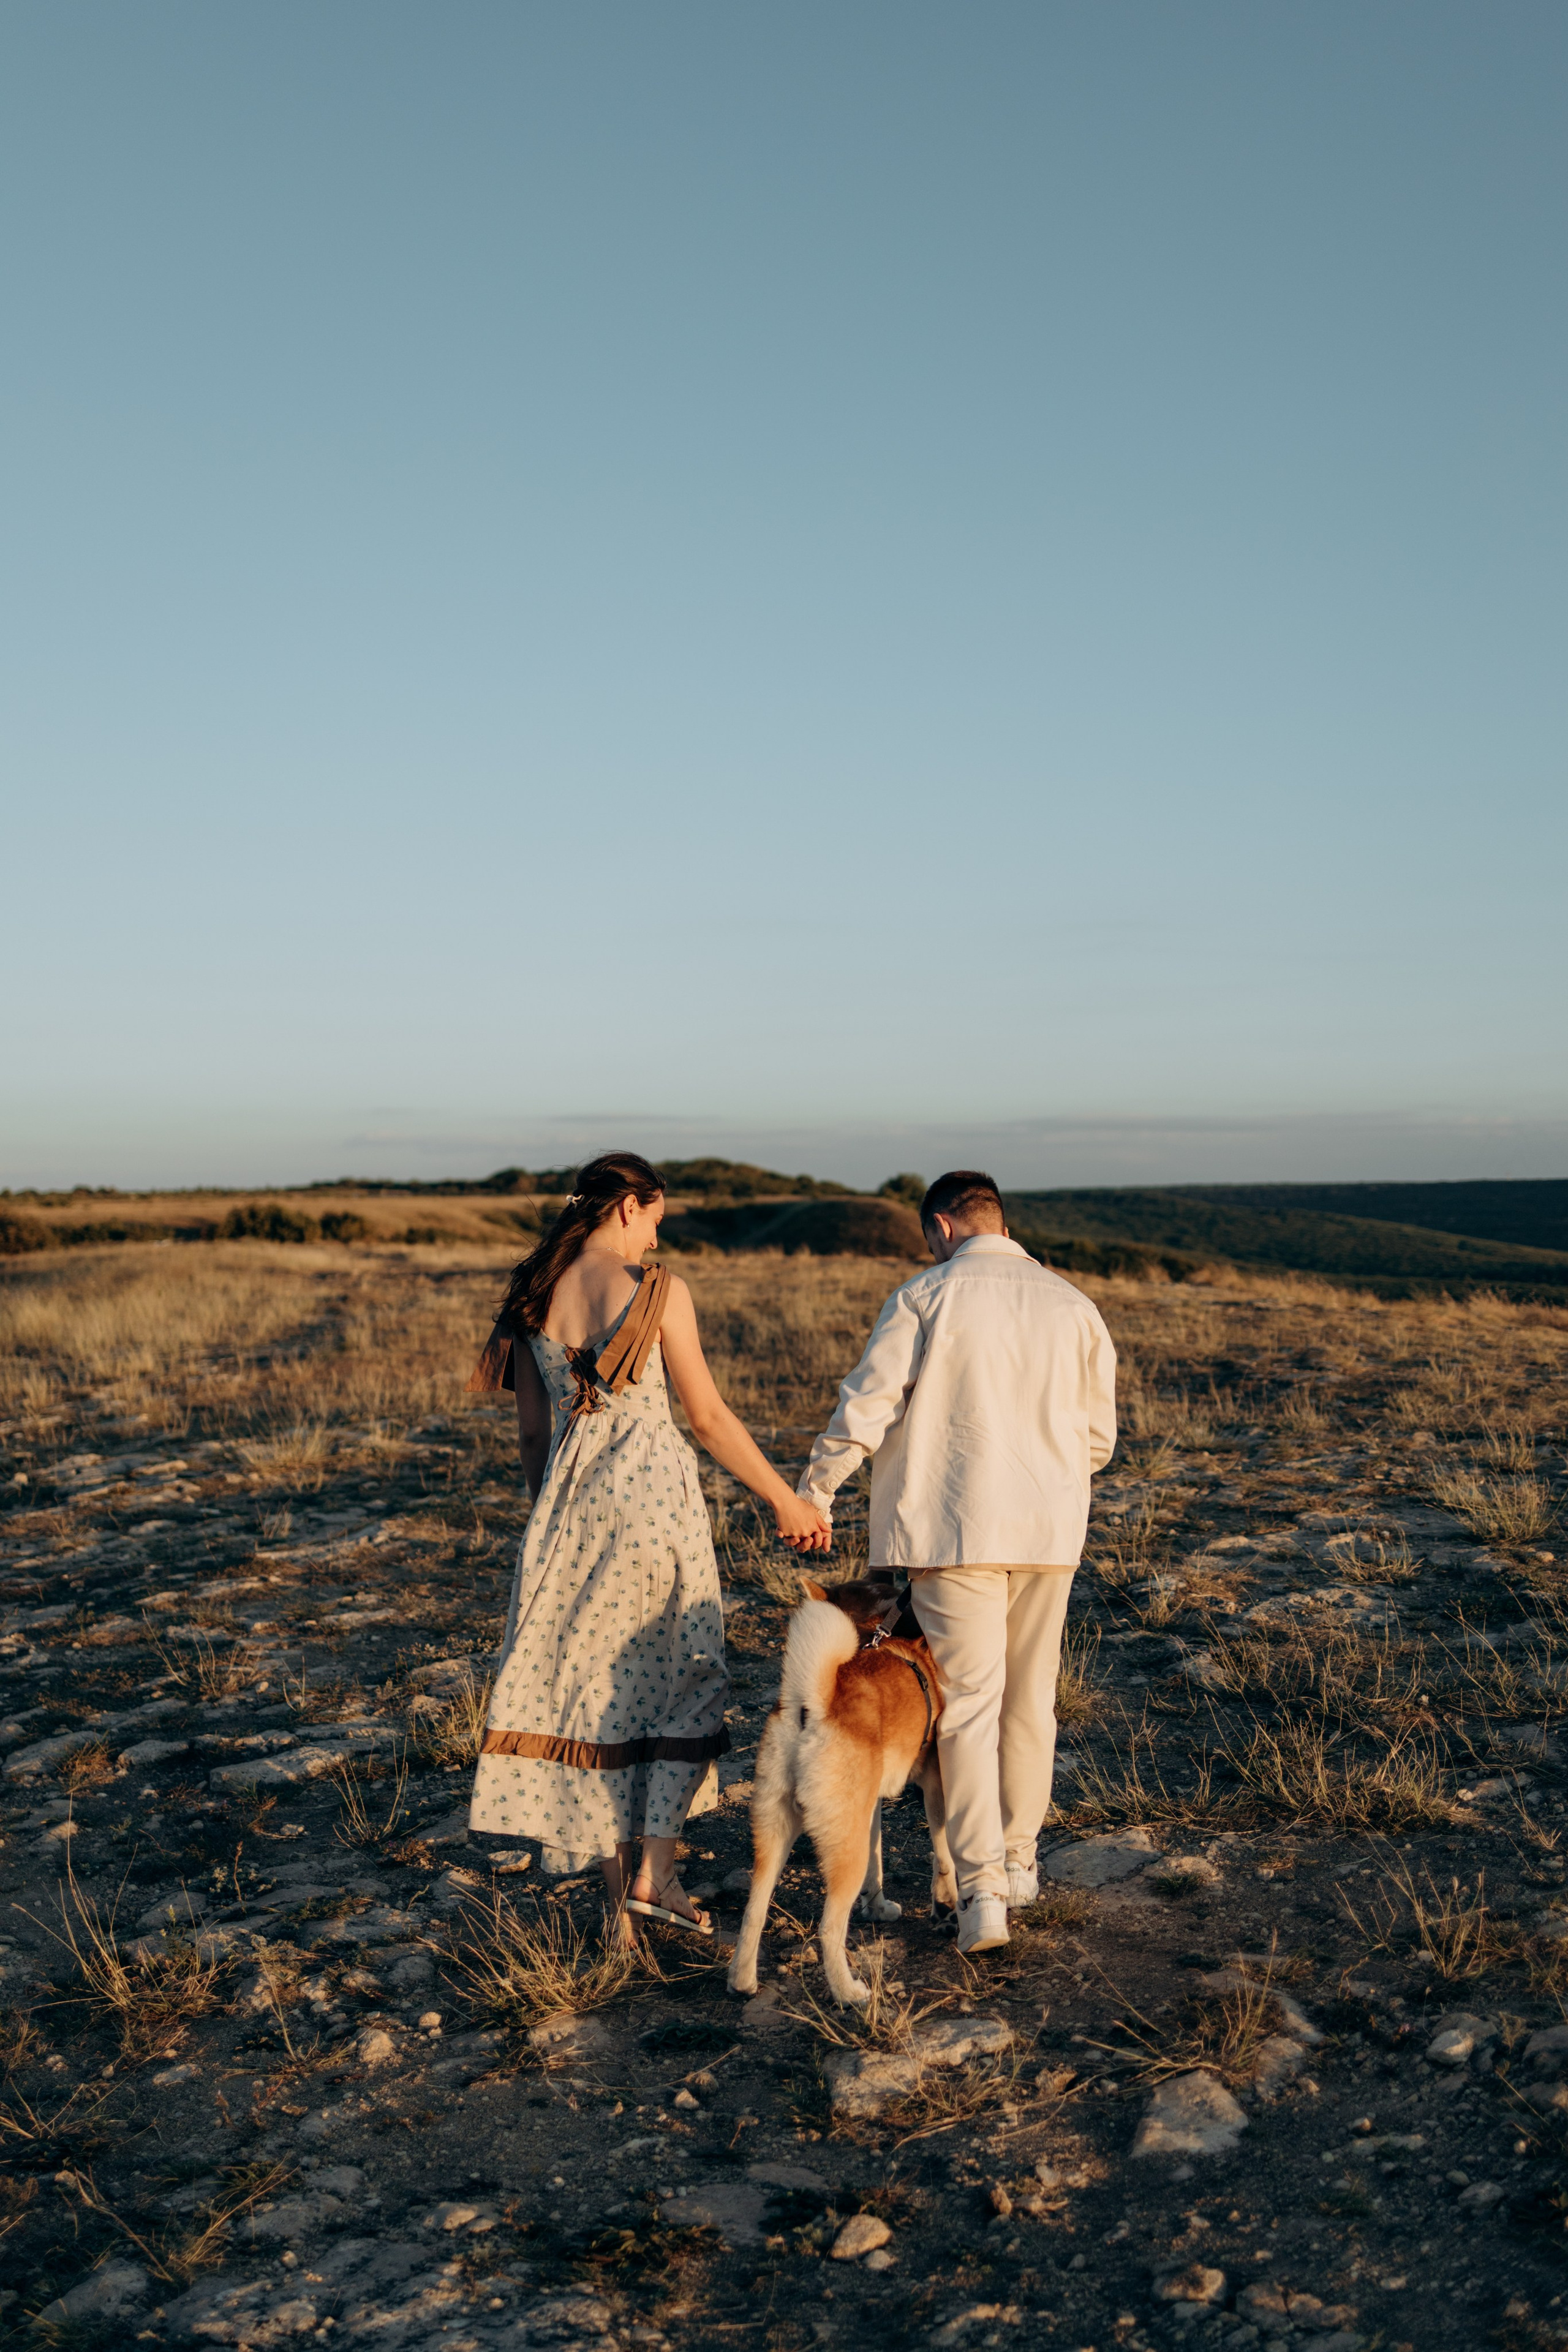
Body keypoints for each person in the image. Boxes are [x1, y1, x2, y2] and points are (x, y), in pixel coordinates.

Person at [467, 1152, 829, 1941]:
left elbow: (532, 1431)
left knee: (598, 1695)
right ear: (632, 1205)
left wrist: (549, 1517)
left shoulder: (530, 1298)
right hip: (653, 1503)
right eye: (657, 1217)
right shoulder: (657, 1292)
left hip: (568, 1508)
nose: (655, 1234)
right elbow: (707, 1419)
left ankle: (616, 1909)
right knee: (685, 1677)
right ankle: (655, 1872)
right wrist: (783, 1498)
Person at [796, 1170, 1117, 1956]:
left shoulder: (923, 1298)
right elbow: (1099, 1443)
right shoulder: (1075, 1306)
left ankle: (980, 1896)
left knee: (967, 1705)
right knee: (1031, 1700)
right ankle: (1020, 1859)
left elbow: (865, 1407)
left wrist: (816, 1489)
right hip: (1047, 1531)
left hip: (951, 1530)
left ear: (941, 1226)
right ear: (999, 1223)